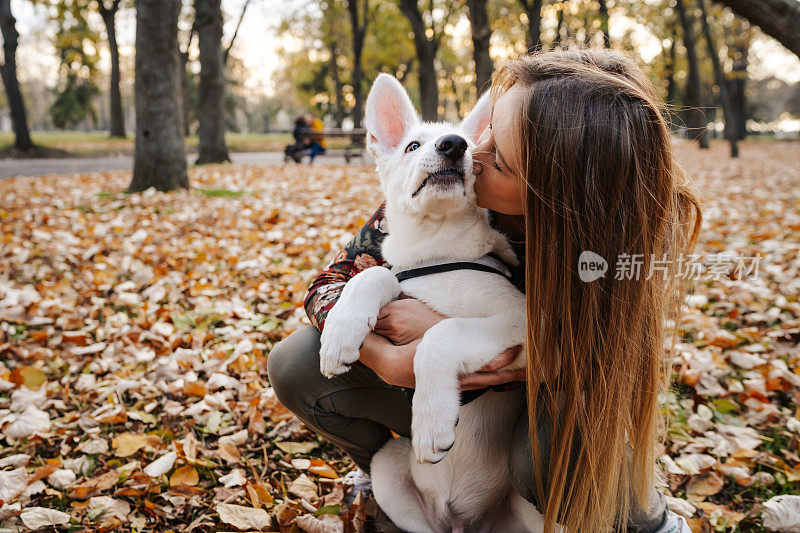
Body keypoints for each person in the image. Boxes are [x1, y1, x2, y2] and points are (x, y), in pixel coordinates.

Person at [268, 50, 702, 532]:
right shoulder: (429, 193)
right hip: (442, 408)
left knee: (547, 454)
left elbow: (601, 360)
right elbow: (329, 283)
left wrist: (445, 336)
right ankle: (397, 484)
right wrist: (384, 357)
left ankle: (643, 520)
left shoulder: (606, 247)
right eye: (486, 132)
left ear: (553, 187)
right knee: (296, 362)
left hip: (545, 408)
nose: (471, 151)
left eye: (498, 156)